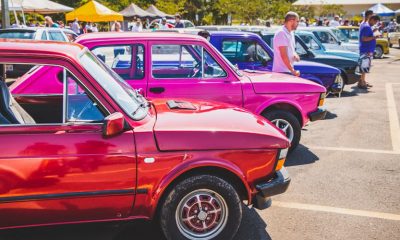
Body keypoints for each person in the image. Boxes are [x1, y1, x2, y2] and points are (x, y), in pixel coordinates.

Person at [272, 11, 300, 77]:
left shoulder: (291, 33)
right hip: (281, 73)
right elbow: (284, 55)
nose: (298, 23)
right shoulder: (281, 33)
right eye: (297, 21)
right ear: (291, 21)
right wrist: (293, 71)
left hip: (287, 71)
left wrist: (295, 55)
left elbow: (291, 51)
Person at [358, 14, 380, 89]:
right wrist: (374, 37)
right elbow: (364, 39)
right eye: (375, 21)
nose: (375, 23)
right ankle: (362, 83)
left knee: (364, 67)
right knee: (364, 67)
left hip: (366, 50)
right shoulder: (367, 27)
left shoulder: (367, 26)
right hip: (366, 50)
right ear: (371, 19)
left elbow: (366, 36)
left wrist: (372, 32)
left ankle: (362, 81)